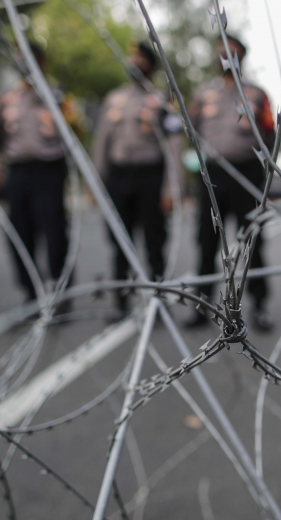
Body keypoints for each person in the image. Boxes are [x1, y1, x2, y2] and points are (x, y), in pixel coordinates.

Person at [187, 34, 276, 331]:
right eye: (222, 52)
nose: (226, 57)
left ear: (242, 57)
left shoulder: (257, 95)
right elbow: (189, 129)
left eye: (233, 52)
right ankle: (201, 306)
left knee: (252, 242)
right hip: (212, 176)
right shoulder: (202, 95)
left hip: (247, 173)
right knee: (206, 240)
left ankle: (260, 306)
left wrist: (265, 171)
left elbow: (270, 133)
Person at [93, 41, 179, 321]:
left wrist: (171, 187)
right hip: (119, 177)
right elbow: (102, 143)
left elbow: (174, 147)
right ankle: (121, 301)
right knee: (120, 241)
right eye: (132, 57)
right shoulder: (113, 99)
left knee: (154, 241)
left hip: (150, 177)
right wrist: (97, 182)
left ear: (150, 65)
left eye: (140, 58)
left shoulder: (163, 101)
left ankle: (158, 302)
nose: (134, 62)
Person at [0, 45, 79, 308]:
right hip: (18, 172)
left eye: (30, 59)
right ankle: (31, 292)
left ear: (42, 62)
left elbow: (75, 129)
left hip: (49, 171)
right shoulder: (9, 98)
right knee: (20, 233)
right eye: (20, 59)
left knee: (54, 232)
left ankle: (61, 290)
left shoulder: (57, 95)